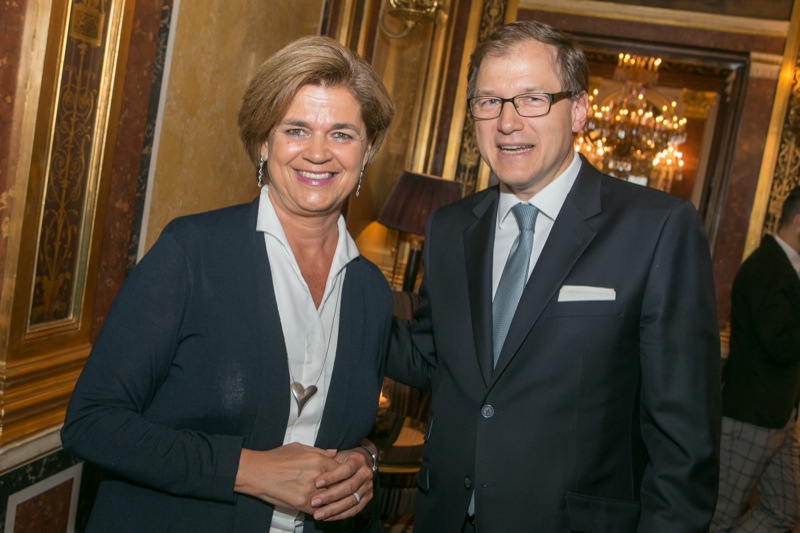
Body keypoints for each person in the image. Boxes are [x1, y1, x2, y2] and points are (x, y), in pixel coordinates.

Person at [386, 20, 721, 531]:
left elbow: (684, 445)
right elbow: (437, 359)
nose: (507, 122)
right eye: (489, 101)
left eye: (532, 99)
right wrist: (337, 288)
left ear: (579, 110)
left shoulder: (656, 228)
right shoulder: (449, 227)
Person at [61, 36, 395, 533]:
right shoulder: (191, 252)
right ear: (263, 143)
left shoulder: (371, 291)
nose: (318, 153)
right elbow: (90, 422)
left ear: (366, 151)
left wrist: (364, 460)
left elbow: (352, 429)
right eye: (296, 130)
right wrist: (248, 470)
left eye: (342, 134)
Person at [711, 185, 800, 532]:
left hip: (779, 416)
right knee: (718, 515)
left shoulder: (787, 267)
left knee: (784, 510)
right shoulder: (767, 267)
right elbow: (779, 344)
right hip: (750, 415)